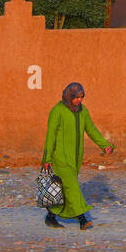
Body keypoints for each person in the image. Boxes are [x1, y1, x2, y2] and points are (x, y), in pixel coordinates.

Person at [41, 82, 113, 230]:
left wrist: (104, 145)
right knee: (72, 187)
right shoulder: (57, 111)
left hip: (76, 157)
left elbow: (91, 129)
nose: (79, 100)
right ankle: (83, 219)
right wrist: (47, 159)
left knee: (64, 188)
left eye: (81, 97)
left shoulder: (82, 111)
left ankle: (51, 216)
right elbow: (51, 136)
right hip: (60, 157)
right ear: (69, 97)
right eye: (76, 97)